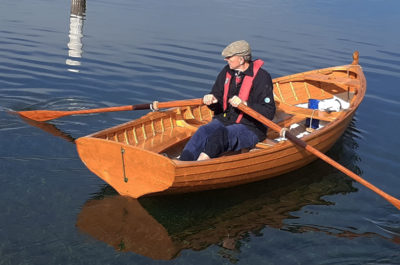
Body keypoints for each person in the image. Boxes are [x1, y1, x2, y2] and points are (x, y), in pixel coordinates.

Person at [170, 40, 276, 161]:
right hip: (226, 119)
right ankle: (183, 161)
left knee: (221, 135)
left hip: (250, 127)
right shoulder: (227, 72)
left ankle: (198, 165)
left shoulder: (262, 78)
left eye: (230, 57)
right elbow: (218, 99)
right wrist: (212, 100)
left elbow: (269, 112)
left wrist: (245, 104)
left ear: (241, 59)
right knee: (203, 131)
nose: (226, 59)